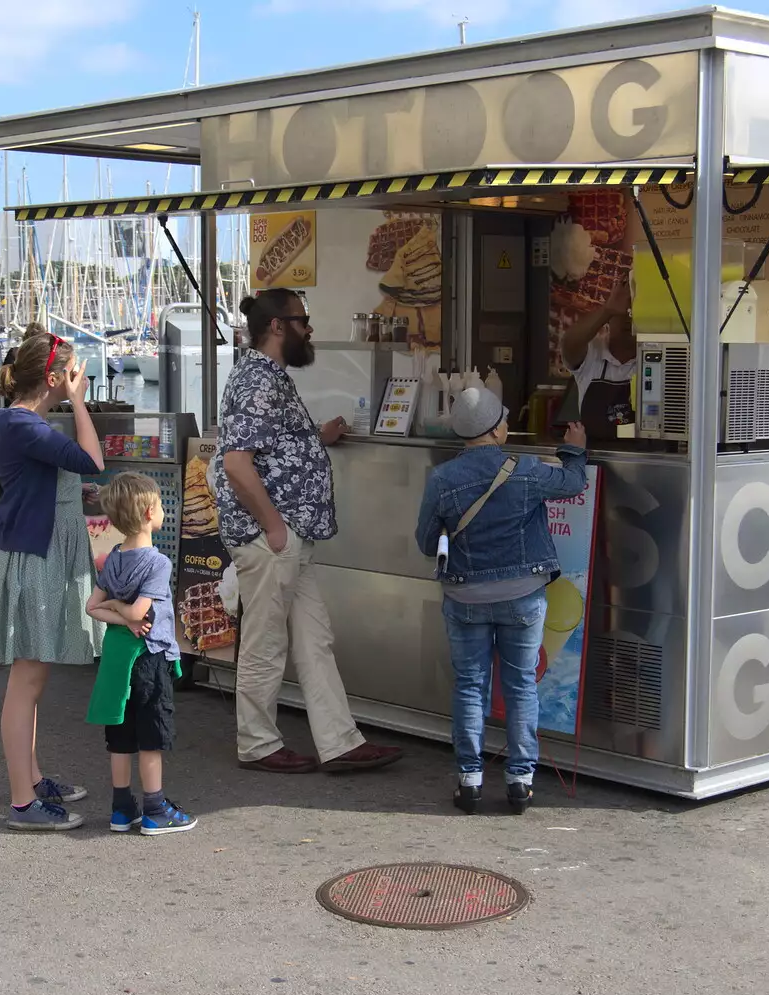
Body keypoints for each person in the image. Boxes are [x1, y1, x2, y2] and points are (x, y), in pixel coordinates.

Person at [211, 289, 403, 775]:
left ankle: (339, 741)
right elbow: (237, 463)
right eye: (303, 320)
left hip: (287, 537)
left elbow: (270, 447)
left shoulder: (268, 377)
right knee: (265, 642)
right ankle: (257, 743)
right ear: (277, 326)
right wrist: (275, 527)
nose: (309, 328)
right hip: (273, 538)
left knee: (313, 639)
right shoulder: (257, 378)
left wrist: (317, 439)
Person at [415, 388, 588, 815]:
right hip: (522, 596)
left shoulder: (442, 479)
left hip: (464, 596)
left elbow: (425, 541)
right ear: (495, 430)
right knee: (520, 685)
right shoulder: (526, 470)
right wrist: (575, 449)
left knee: (470, 686)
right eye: (504, 420)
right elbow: (573, 482)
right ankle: (520, 781)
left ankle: (470, 780)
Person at [0, 330, 105, 830]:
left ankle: (32, 780)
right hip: (33, 558)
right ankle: (22, 802)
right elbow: (92, 460)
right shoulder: (23, 424)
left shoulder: (25, 423)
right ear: (55, 377)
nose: (79, 378)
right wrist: (79, 402)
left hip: (39, 553)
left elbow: (64, 476)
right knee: (26, 680)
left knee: (32, 681)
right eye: (74, 372)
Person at [85, 471, 196, 836]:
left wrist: (115, 607)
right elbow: (137, 614)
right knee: (151, 735)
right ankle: (154, 808)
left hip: (116, 657)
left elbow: (91, 607)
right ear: (150, 512)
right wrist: (126, 611)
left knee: (119, 734)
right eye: (161, 504)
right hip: (148, 658)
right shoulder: (157, 563)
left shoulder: (114, 557)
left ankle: (121, 808)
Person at [559, 275, 635, 439]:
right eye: (622, 312)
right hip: (594, 458)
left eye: (634, 313)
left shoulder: (655, 359)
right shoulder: (592, 353)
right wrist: (608, 309)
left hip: (638, 459)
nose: (628, 319)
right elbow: (569, 344)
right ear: (607, 320)